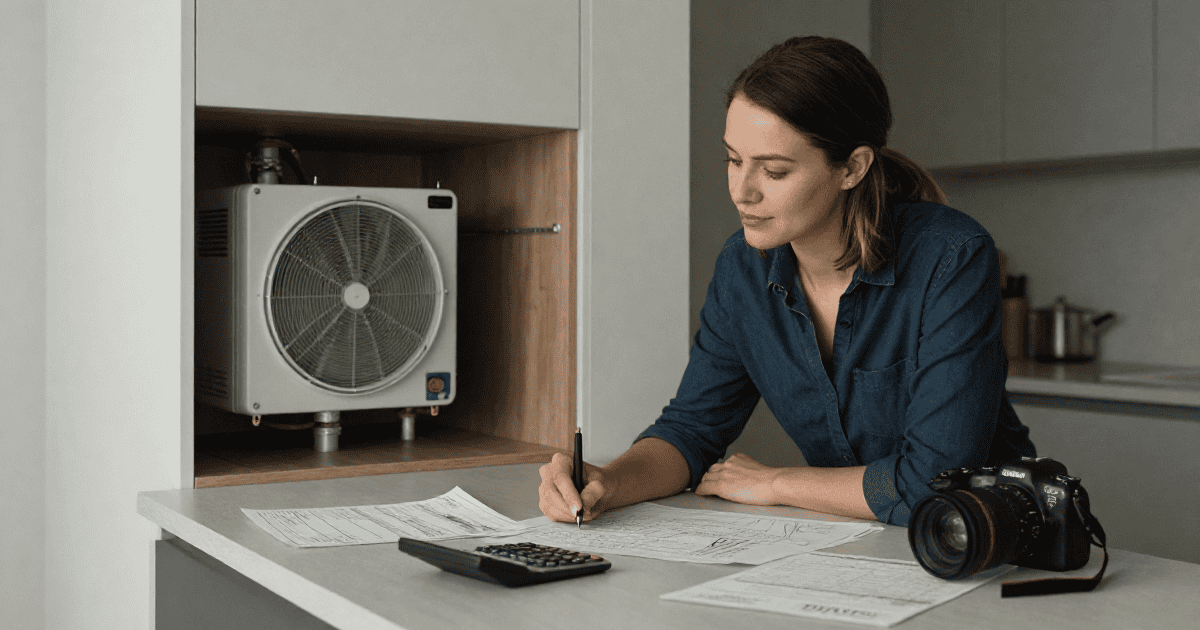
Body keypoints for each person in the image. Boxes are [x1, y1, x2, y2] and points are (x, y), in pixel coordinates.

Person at [538, 36, 1036, 527]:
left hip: (988, 547)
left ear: (852, 168)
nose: (741, 191)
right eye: (734, 160)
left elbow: (936, 481)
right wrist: (608, 481)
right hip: (865, 547)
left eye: (774, 171)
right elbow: (692, 429)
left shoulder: (951, 258)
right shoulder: (744, 268)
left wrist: (777, 484)